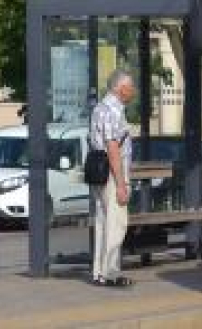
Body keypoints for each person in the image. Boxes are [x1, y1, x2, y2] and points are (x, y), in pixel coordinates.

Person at [89, 68, 135, 288]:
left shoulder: (99, 108)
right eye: (131, 86)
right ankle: (110, 272)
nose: (133, 91)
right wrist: (121, 184)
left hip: (99, 174)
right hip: (112, 174)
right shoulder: (113, 111)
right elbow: (113, 148)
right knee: (116, 224)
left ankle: (99, 272)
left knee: (102, 222)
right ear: (120, 88)